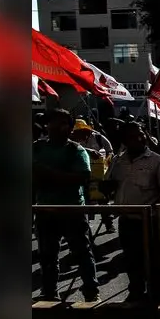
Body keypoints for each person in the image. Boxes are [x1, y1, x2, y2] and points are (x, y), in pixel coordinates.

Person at [102, 122, 160, 302]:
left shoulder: (157, 161)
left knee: (153, 261)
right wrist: (106, 187)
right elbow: (109, 185)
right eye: (133, 136)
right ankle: (136, 291)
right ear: (125, 140)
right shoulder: (118, 161)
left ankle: (157, 296)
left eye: (141, 134)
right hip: (126, 220)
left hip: (149, 221)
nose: (139, 138)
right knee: (131, 259)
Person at [33, 109, 100, 302]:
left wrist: (48, 174)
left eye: (63, 123)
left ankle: (91, 291)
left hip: (72, 210)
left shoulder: (75, 150)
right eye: (53, 122)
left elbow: (82, 177)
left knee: (82, 253)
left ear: (70, 128)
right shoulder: (37, 148)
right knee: (47, 255)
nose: (57, 127)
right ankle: (49, 292)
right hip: (45, 209)